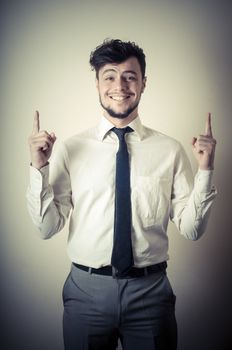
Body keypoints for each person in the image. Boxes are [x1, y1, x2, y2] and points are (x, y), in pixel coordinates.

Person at [27, 39, 217, 350]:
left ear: (144, 83)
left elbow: (192, 229)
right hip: (85, 294)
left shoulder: (170, 150)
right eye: (110, 75)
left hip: (151, 295)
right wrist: (38, 168)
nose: (120, 85)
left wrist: (206, 170)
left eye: (130, 75)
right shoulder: (69, 149)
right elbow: (47, 228)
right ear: (98, 84)